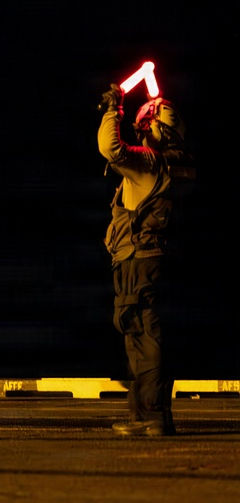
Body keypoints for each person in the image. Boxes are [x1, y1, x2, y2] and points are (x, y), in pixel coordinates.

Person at [98, 84, 195, 436]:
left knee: (142, 335)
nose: (142, 132)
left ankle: (149, 417)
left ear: (153, 127)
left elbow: (110, 148)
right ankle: (153, 415)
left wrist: (114, 110)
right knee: (149, 335)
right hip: (160, 260)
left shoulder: (149, 163)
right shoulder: (181, 166)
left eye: (144, 127)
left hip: (137, 259)